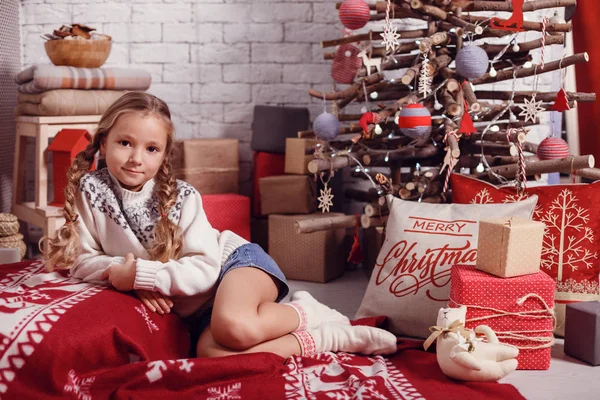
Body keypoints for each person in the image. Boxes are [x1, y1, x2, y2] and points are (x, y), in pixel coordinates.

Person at [42, 92, 397, 359]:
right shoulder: (91, 191)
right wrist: (122, 271)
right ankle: (329, 339)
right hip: (196, 306)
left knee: (235, 327)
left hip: (232, 265)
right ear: (104, 142)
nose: (136, 158)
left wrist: (139, 276)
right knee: (213, 356)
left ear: (165, 155)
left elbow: (202, 270)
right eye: (124, 143)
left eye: (151, 149)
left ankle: (309, 310)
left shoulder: (182, 197)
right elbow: (81, 260)